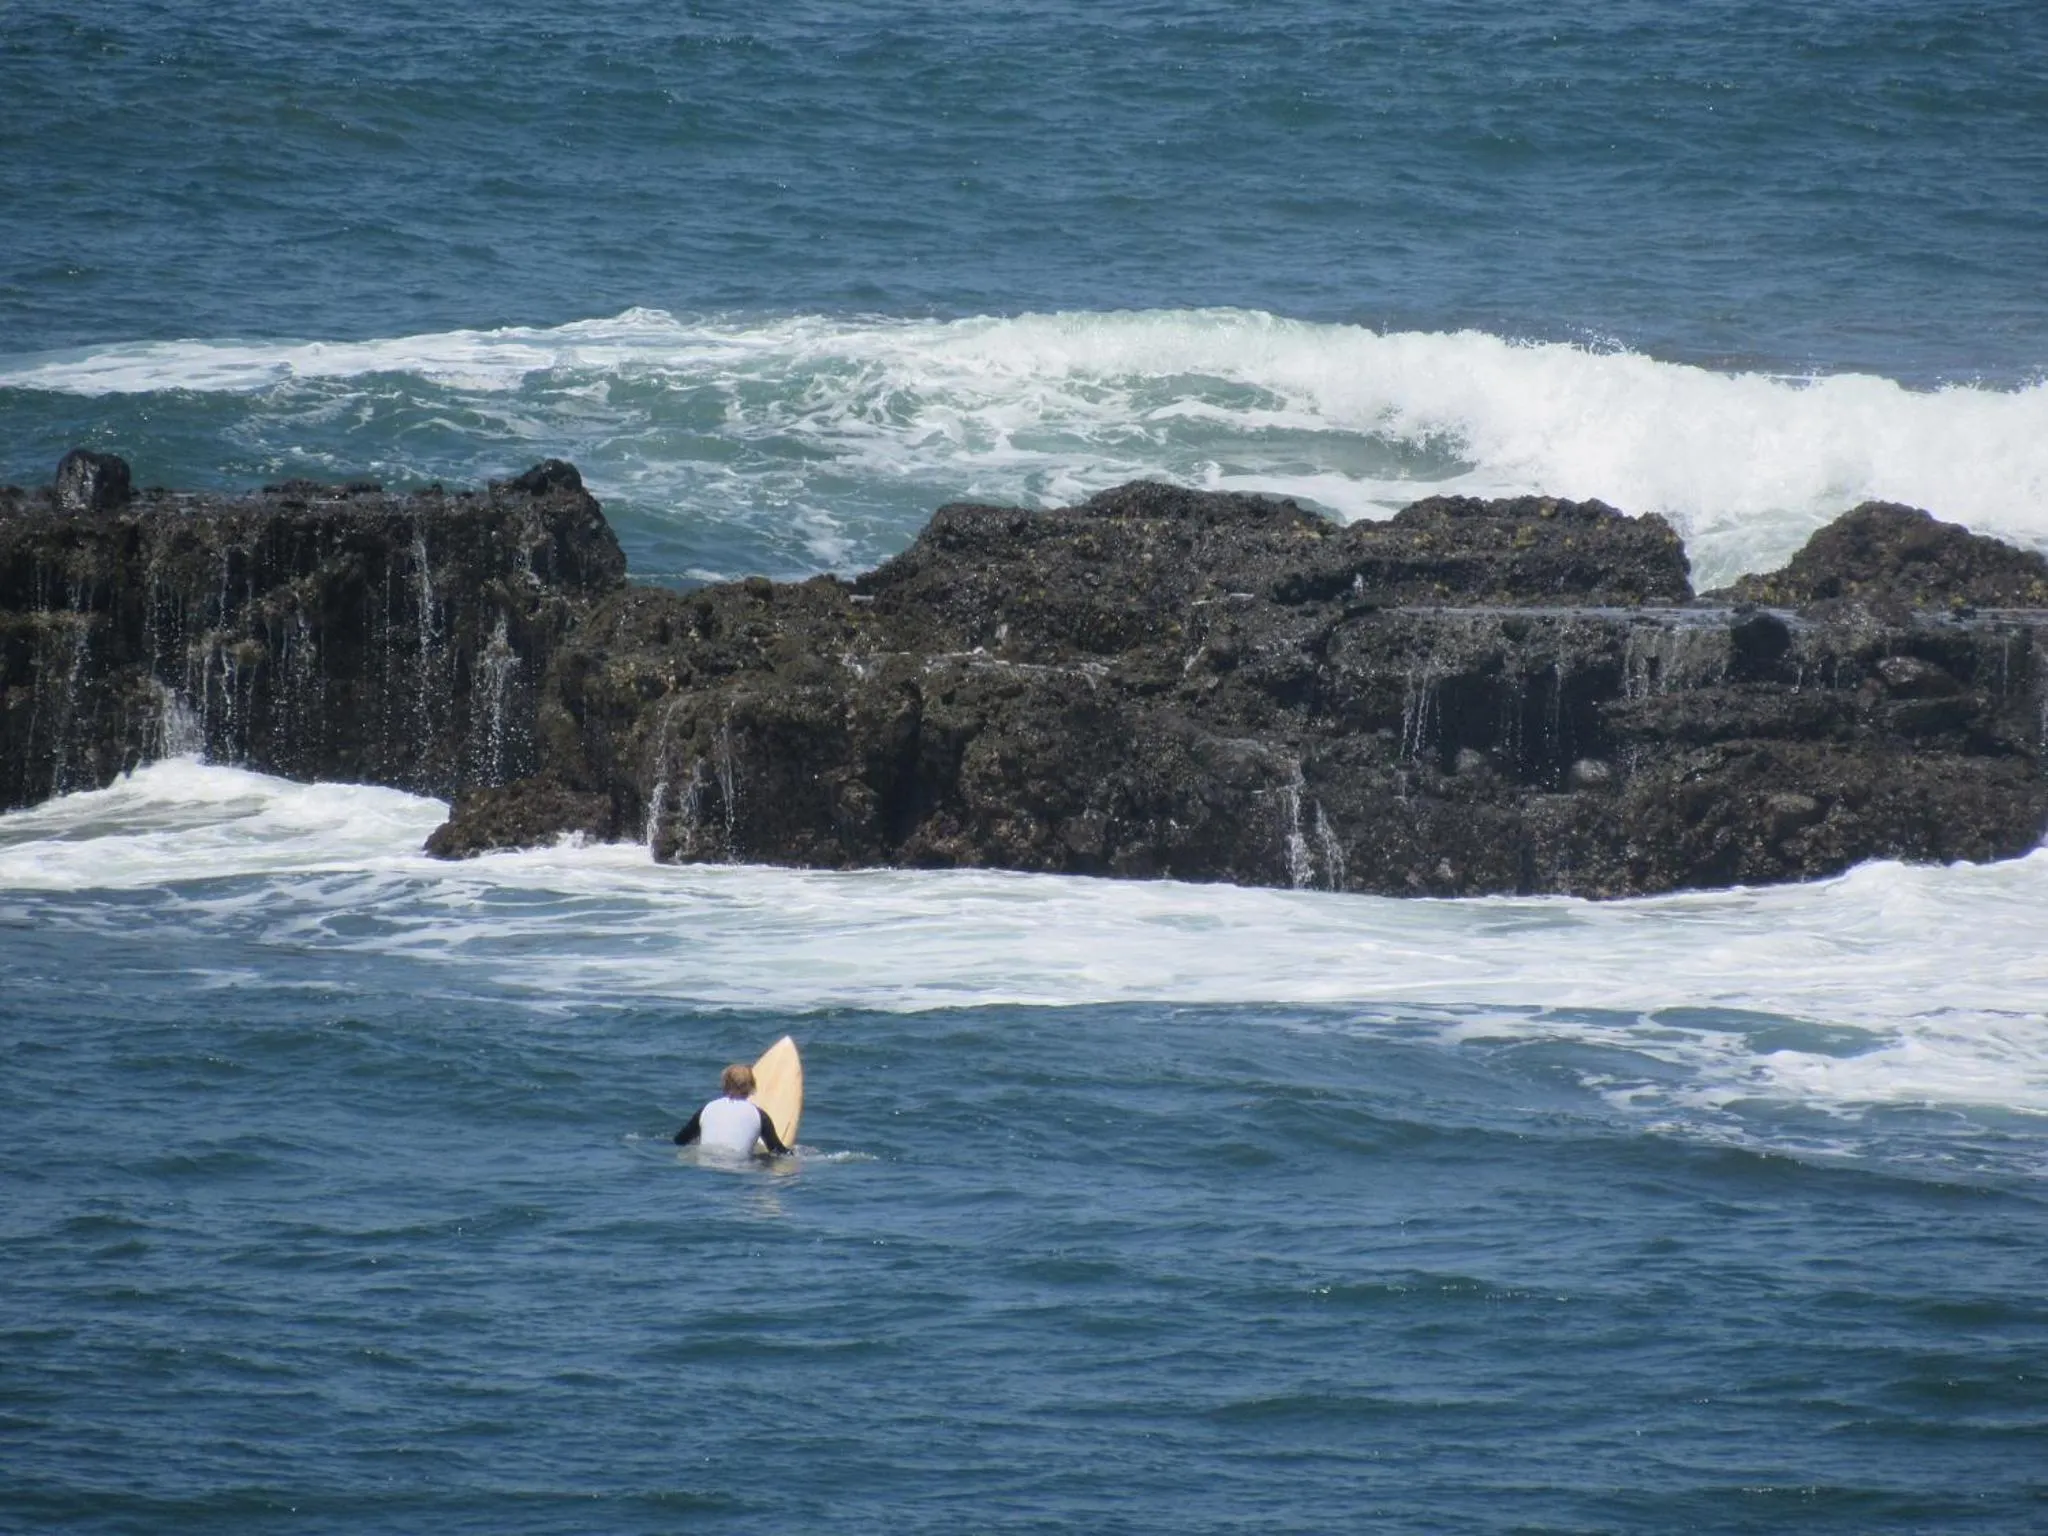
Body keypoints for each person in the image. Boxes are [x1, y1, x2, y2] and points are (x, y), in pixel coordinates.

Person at [675, 1063, 791, 1156]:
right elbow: (777, 1151)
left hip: (706, 1166)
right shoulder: (759, 1116)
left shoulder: (706, 1109)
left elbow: (680, 1141)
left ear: (724, 1084)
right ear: (752, 1086)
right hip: (740, 1169)